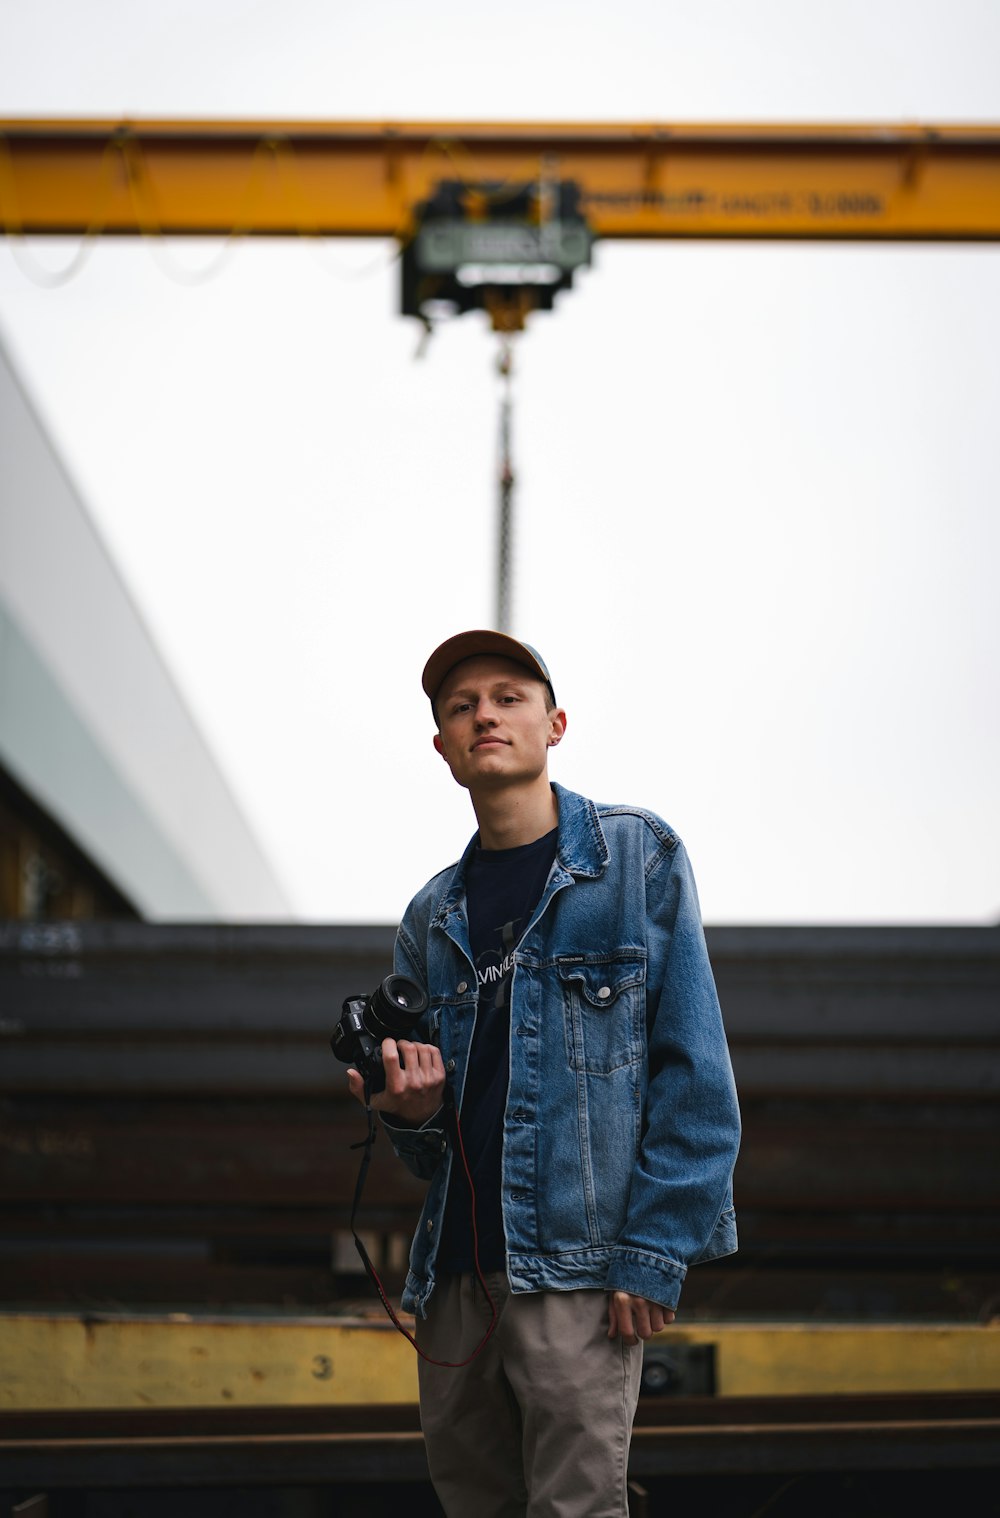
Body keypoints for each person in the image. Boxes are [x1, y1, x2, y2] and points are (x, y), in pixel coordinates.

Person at [347, 629, 740, 1518]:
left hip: (576, 1273)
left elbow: (696, 1071)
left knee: (574, 1508)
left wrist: (655, 1249)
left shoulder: (636, 859)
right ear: (444, 749)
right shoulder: (430, 914)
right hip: (455, 1279)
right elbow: (429, 1151)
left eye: (507, 696)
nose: (484, 713)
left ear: (554, 724)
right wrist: (407, 1111)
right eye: (460, 707)